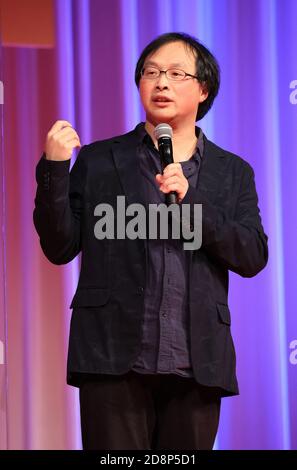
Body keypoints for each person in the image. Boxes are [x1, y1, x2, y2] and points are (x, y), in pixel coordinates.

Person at [33, 32, 268, 450]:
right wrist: (54, 169)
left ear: (203, 89)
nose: (161, 82)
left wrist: (192, 203)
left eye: (176, 73)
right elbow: (59, 246)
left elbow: (251, 255)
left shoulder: (233, 173)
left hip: (196, 364)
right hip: (112, 360)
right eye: (152, 72)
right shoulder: (100, 160)